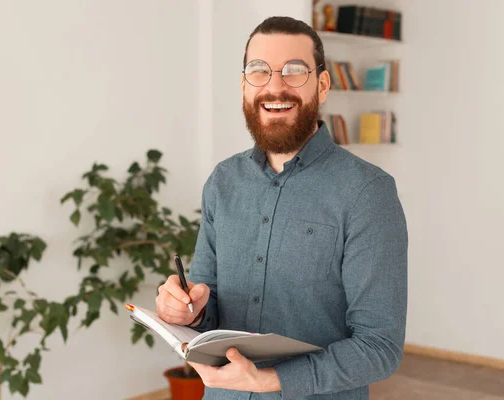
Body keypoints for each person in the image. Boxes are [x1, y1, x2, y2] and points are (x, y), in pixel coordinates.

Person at [155, 16, 408, 400]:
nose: (275, 86)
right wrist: (187, 311)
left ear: (322, 86)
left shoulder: (368, 193)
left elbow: (380, 347)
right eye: (259, 71)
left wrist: (271, 379)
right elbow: (208, 301)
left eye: (294, 71)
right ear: (244, 85)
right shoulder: (223, 181)